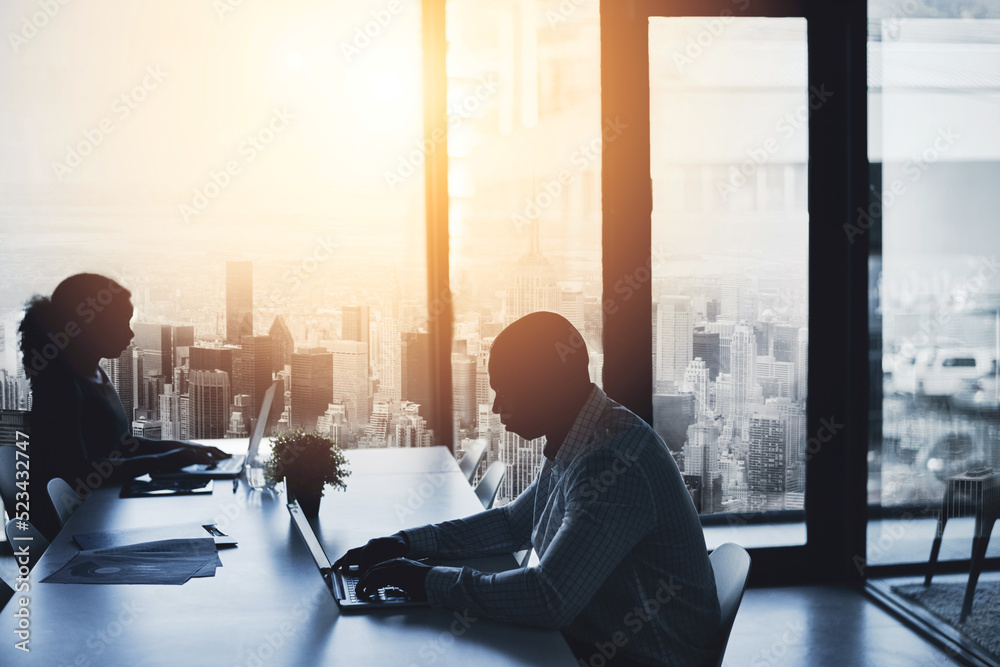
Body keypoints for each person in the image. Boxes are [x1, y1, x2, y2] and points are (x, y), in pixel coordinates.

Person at [336, 312, 722, 666]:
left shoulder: (611, 462)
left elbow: (548, 598)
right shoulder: (580, 434)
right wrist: (406, 544)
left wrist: (423, 580)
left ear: (552, 385)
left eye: (509, 391)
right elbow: (511, 525)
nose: (496, 407)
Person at [18, 273, 229, 539]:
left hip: (99, 511)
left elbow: (121, 444)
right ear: (91, 326)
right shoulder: (61, 385)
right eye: (121, 323)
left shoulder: (91, 371)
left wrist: (181, 448)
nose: (130, 332)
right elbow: (77, 474)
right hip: (73, 531)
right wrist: (165, 460)